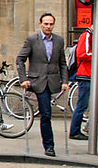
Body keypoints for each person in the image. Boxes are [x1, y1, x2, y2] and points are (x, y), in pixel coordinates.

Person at [15, 12, 70, 157]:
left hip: (53, 80)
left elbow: (62, 63)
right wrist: (23, 79)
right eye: (46, 24)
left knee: (47, 113)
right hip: (39, 81)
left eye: (51, 24)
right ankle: (49, 146)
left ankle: (49, 145)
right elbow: (20, 59)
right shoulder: (32, 39)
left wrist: (65, 81)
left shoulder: (59, 40)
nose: (48, 27)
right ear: (40, 24)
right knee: (46, 114)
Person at [69, 10, 98, 141]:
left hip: (93, 74)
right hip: (86, 74)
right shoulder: (87, 35)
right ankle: (74, 131)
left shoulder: (94, 35)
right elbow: (82, 54)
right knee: (83, 104)